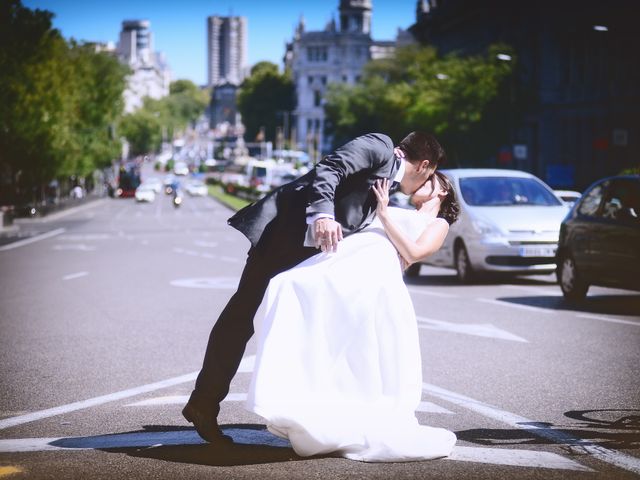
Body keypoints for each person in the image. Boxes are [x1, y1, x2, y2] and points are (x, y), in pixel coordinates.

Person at [183, 132, 446, 443]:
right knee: (241, 316)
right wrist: (322, 214)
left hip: (315, 258)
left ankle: (309, 412)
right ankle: (203, 403)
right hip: (286, 239)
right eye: (430, 177)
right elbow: (329, 168)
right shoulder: (379, 146)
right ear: (425, 165)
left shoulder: (388, 184)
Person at [246, 172, 460, 461]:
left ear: (443, 191)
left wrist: (384, 213)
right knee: (285, 286)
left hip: (372, 273)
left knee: (356, 343)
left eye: (430, 179)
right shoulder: (400, 208)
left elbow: (415, 251)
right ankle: (303, 398)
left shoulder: (438, 223)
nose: (420, 180)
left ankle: (345, 412)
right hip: (349, 259)